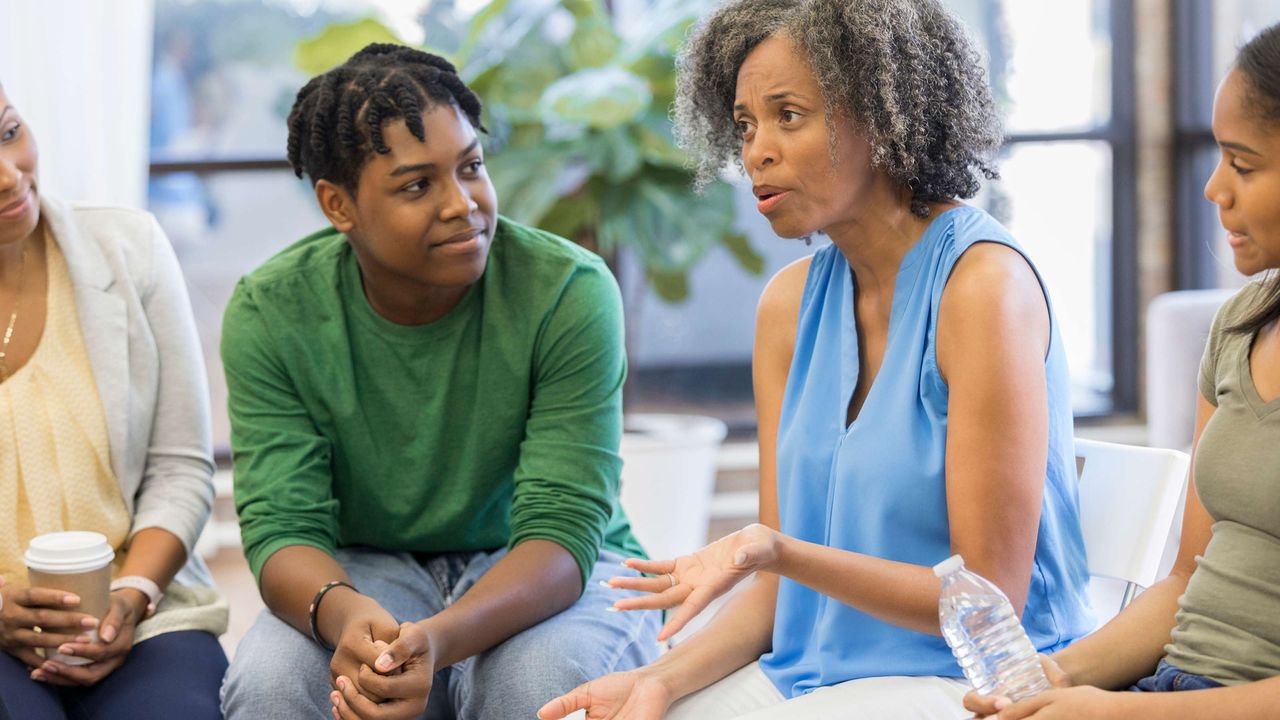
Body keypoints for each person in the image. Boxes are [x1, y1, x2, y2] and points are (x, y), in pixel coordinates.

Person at [540, 0, 1094, 718]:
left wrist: (775, 551)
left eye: (788, 115)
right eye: (744, 125)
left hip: (978, 683)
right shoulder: (788, 309)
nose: (755, 152)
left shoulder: (982, 289)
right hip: (810, 679)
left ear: (883, 116)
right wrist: (660, 680)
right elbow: (778, 589)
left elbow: (988, 599)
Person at [217, 44, 658, 720]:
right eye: (417, 185)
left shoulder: (567, 291)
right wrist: (346, 616)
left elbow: (561, 533)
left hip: (541, 563)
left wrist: (437, 642)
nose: (463, 204)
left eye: (472, 167)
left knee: (537, 685)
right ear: (339, 205)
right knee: (272, 685)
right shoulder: (273, 312)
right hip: (364, 565)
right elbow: (283, 528)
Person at [963, 22, 1280, 720]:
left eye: (1244, 164)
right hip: (1168, 689)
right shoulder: (1238, 328)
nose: (1213, 188)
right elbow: (1186, 579)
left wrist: (1122, 715)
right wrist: (1054, 674)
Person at [0, 82, 228, 719]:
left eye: (8, 132)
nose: (7, 175)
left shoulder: (130, 250)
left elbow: (180, 468)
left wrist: (132, 591)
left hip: (143, 608)